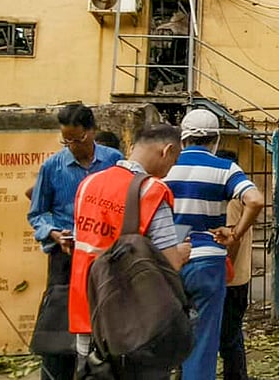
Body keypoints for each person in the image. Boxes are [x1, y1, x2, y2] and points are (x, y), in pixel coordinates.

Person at [67, 124, 191, 379]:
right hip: (132, 319)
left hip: (86, 308)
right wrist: (183, 251)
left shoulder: (88, 184)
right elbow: (170, 263)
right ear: (167, 151)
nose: (170, 169)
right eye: (175, 160)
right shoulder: (152, 191)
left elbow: (82, 241)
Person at [166, 109, 265, 380]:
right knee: (204, 341)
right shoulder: (224, 168)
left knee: (164, 334)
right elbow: (255, 200)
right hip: (208, 260)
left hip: (167, 257)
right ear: (216, 139)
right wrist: (235, 232)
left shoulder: (166, 165)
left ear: (182, 138)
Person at [27, 104, 123, 380]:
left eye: (77, 140)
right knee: (60, 330)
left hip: (104, 256)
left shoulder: (114, 161)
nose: (72, 146)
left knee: (105, 323)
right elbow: (37, 212)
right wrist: (54, 233)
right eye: (66, 140)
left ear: (92, 132)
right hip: (66, 258)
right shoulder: (53, 166)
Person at [215, 149, 251, 380]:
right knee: (232, 335)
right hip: (241, 276)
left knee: (228, 338)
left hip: (230, 278)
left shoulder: (233, 200)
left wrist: (223, 269)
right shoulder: (244, 196)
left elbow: (233, 240)